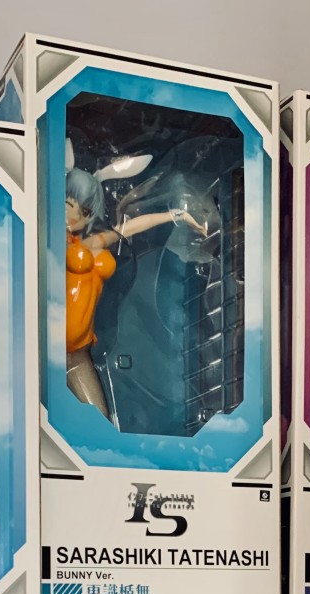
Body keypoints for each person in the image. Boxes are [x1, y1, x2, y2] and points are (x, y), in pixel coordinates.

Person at [63, 159, 208, 422]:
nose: (76, 215)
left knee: (98, 422)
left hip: (78, 351)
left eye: (85, 210)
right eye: (68, 204)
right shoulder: (55, 241)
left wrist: (177, 215)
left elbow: (130, 227)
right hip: (50, 345)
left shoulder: (91, 242)